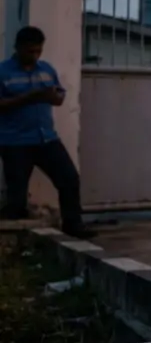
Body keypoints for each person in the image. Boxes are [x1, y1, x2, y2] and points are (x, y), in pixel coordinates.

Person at [0, 27, 93, 239]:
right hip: (15, 141)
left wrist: (54, 97)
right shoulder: (3, 72)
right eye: (30, 51)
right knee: (16, 199)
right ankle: (18, 242)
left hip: (46, 138)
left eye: (38, 51)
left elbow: (58, 96)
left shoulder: (46, 69)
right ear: (18, 48)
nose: (34, 56)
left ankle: (73, 224)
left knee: (69, 179)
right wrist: (31, 96)